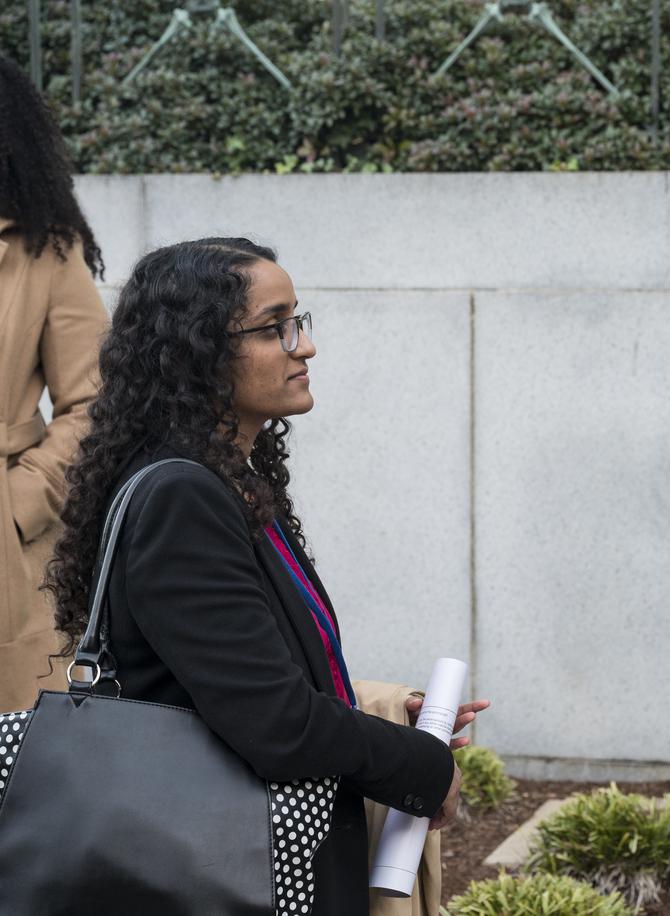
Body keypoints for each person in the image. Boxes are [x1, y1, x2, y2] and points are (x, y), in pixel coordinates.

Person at [43, 237, 484, 915]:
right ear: (197, 352)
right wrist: (420, 765)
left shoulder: (228, 480)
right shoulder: (182, 497)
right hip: (228, 872)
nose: (302, 346)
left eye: (297, 322)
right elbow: (275, 724)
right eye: (274, 327)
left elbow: (238, 681)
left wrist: (381, 708)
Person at [0, 54, 110, 712]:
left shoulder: (42, 247)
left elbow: (98, 402)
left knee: (15, 772)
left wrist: (22, 502)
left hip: (7, 553)